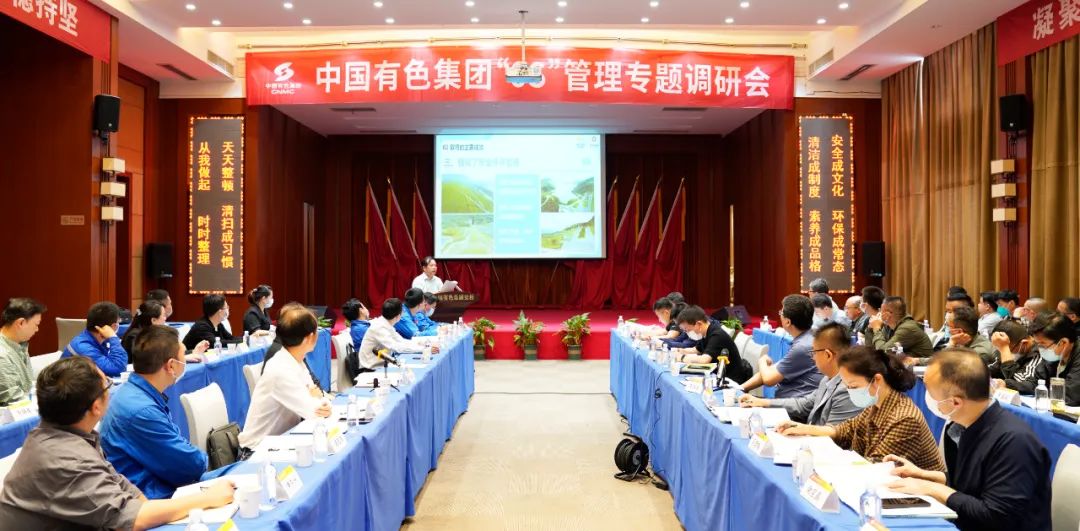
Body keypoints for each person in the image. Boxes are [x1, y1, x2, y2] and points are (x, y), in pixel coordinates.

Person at [0, 356, 234, 528]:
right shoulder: (66, 459)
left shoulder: (67, 434)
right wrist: (207, 499)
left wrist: (146, 507)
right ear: (96, 406)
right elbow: (131, 519)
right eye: (107, 385)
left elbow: (120, 483)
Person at [886, 348, 1051, 531]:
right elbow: (970, 484)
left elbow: (996, 516)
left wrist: (930, 488)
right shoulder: (964, 427)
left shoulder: (1014, 442)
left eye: (930, 392)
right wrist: (923, 475)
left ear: (956, 402)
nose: (928, 398)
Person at [778, 346, 945, 471]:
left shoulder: (904, 419)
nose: (850, 391)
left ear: (877, 380)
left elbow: (877, 468)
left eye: (853, 386)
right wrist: (804, 429)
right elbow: (847, 430)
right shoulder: (876, 404)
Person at [101, 326, 222, 499]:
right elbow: (192, 466)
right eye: (183, 355)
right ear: (171, 365)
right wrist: (200, 458)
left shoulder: (131, 392)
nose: (186, 360)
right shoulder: (142, 411)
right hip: (156, 496)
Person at [239, 305, 332, 448]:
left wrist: (317, 399)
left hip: (281, 440)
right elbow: (315, 411)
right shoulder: (280, 369)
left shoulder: (295, 358)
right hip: (257, 449)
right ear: (309, 337)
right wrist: (316, 399)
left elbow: (318, 396)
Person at [738, 322, 863, 425]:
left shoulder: (848, 388)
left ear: (828, 355)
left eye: (814, 353)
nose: (813, 358)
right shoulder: (827, 379)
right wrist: (762, 402)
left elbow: (833, 435)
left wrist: (799, 429)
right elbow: (804, 404)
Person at [740, 295, 823, 397]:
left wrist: (762, 360)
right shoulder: (808, 337)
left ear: (788, 322)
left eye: (781, 312)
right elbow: (772, 371)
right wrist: (740, 388)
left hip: (795, 404)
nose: (780, 315)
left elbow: (768, 379)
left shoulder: (802, 347)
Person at [673, 305, 751, 383]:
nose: (687, 333)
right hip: (716, 374)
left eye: (687, 330)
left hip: (730, 380)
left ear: (699, 324)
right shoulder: (705, 332)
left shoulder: (717, 335)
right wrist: (680, 350)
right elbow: (696, 349)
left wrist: (682, 358)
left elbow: (704, 360)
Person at [358, 298, 437, 371]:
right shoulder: (379, 328)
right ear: (398, 315)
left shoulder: (386, 323)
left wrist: (424, 346)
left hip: (382, 364)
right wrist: (423, 349)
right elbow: (397, 347)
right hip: (371, 369)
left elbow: (401, 341)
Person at [62, 301, 129, 377]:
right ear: (113, 326)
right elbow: (118, 369)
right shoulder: (83, 347)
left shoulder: (92, 337)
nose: (119, 325)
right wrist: (113, 338)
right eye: (118, 322)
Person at [1028, 312, 1080, 406]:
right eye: (1037, 344)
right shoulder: (1053, 355)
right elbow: (1035, 383)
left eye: (1042, 344)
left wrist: (1042, 393)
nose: (1039, 349)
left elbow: (1070, 396)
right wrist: (1006, 383)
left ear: (1063, 343)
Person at [0, 298, 45, 406]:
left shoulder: (18, 343)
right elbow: (13, 400)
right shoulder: (2, 355)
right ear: (21, 323)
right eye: (36, 324)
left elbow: (27, 385)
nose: (37, 329)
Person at [912, 306, 992, 366]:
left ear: (959, 331)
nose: (947, 329)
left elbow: (945, 365)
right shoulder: (963, 341)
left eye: (949, 326)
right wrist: (917, 361)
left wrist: (951, 344)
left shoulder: (980, 352)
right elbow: (940, 359)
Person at [866, 296, 933, 359]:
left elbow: (882, 352)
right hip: (903, 364)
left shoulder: (907, 328)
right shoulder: (888, 326)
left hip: (923, 366)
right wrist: (870, 329)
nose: (879, 313)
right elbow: (871, 350)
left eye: (881, 310)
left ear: (888, 314)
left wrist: (876, 328)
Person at [988, 320, 1041, 392]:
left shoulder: (1038, 354)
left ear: (1024, 343)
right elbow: (993, 369)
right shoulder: (1005, 346)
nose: (1004, 353)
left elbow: (1021, 382)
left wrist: (1004, 349)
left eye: (1008, 349)